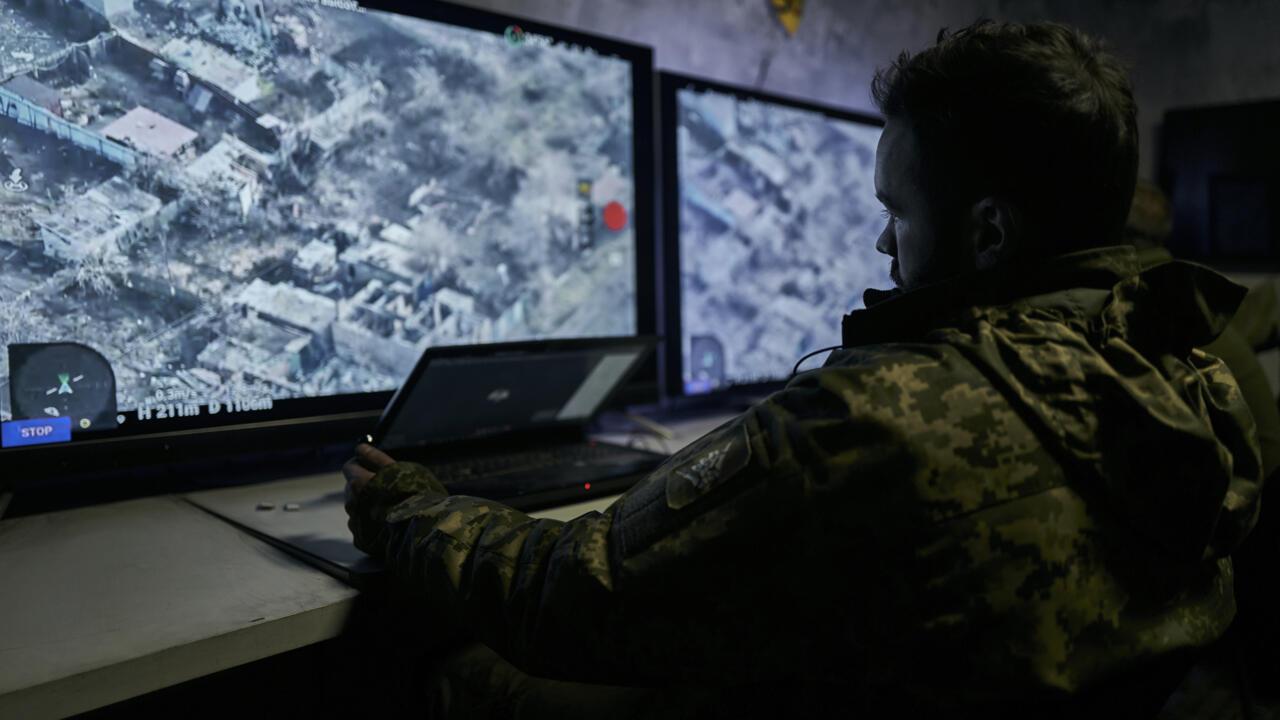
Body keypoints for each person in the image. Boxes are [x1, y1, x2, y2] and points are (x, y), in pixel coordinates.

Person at [345, 20, 1263, 718]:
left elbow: (573, 590)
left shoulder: (878, 416)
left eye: (897, 214)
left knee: (429, 655)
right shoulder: (1197, 365)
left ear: (987, 233)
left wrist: (408, 509)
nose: (881, 242)